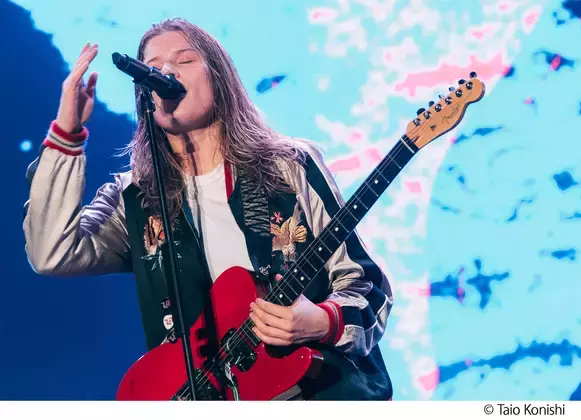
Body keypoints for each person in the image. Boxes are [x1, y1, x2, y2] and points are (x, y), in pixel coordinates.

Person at [23, 17, 393, 400]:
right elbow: (51, 253)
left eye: (184, 60)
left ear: (219, 76)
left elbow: (365, 282)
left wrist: (322, 322)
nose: (166, 72)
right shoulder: (134, 197)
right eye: (153, 66)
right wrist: (66, 134)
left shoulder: (289, 166)